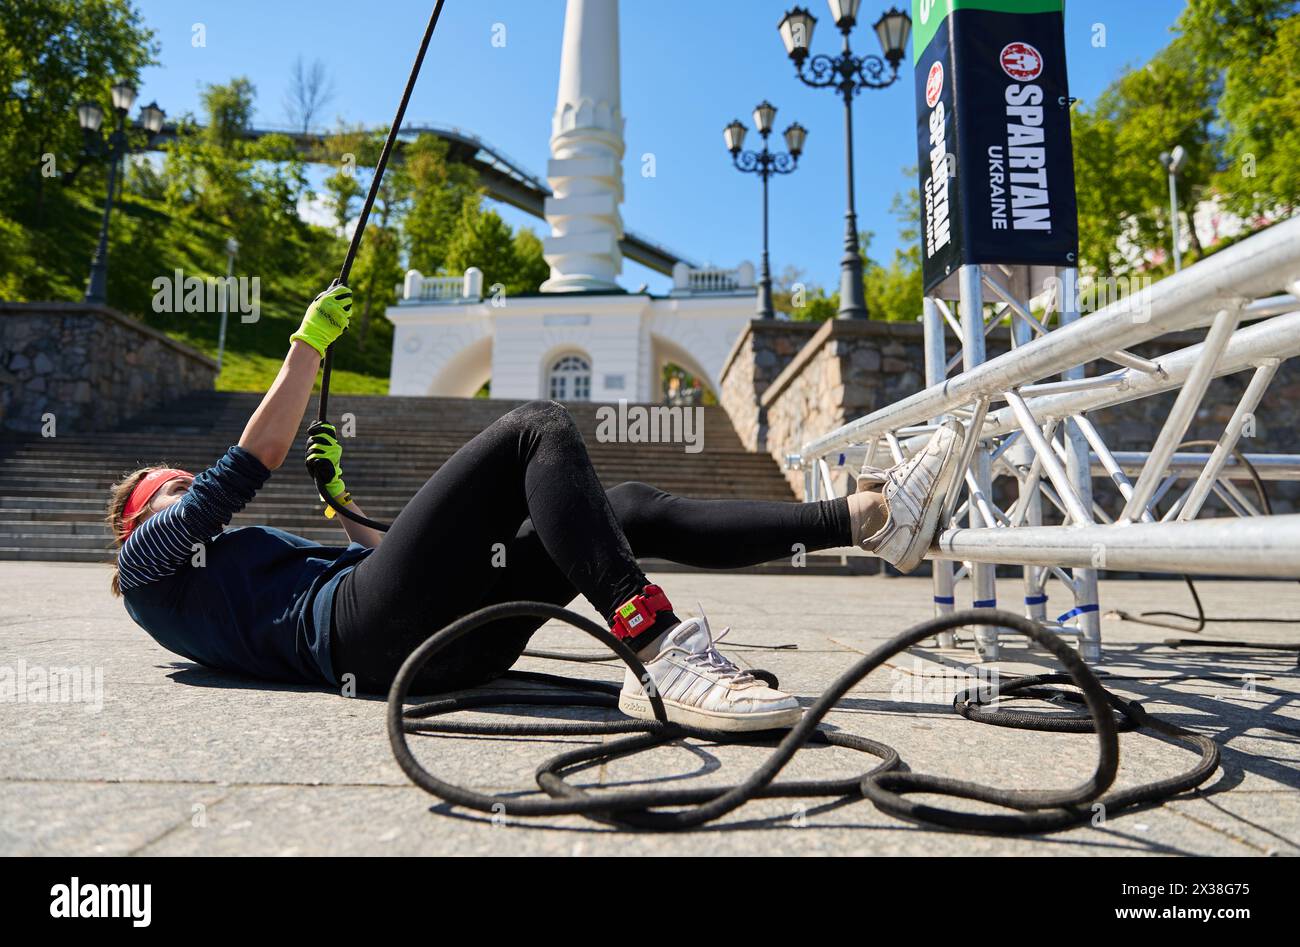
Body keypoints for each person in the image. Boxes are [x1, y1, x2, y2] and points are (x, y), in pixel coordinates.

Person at [107, 285, 965, 732]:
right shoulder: (145, 570)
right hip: (369, 641)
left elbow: (381, 556)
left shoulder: (210, 576)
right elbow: (247, 463)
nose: (186, 484)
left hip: (423, 637)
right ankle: (659, 646)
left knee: (624, 505)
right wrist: (304, 347)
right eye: (168, 484)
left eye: (181, 480)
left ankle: (865, 520)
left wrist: (339, 504)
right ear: (135, 517)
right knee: (534, 427)